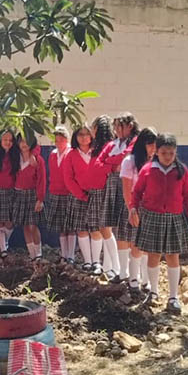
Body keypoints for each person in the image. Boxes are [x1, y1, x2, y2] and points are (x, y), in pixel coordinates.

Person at [129, 133, 188, 314]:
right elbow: (137, 192)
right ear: (156, 152)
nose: (168, 157)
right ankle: (153, 292)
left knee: (172, 257)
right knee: (153, 255)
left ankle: (173, 297)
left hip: (174, 217)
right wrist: (133, 209)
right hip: (152, 217)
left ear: (176, 153)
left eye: (171, 153)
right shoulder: (148, 170)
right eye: (164, 153)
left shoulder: (182, 171)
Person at [63, 123, 110, 275]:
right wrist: (81, 195)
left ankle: (96, 262)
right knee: (82, 230)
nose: (84, 138)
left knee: (96, 229)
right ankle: (87, 261)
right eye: (80, 135)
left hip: (97, 195)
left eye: (87, 134)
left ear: (92, 136)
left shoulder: (98, 153)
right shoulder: (70, 155)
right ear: (75, 137)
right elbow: (68, 178)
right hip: (79, 196)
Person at [102, 113, 139, 284]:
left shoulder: (136, 141)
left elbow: (126, 155)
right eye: (115, 126)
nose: (116, 130)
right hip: (113, 184)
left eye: (120, 126)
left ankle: (136, 274)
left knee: (129, 228)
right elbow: (100, 162)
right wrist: (112, 164)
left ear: (130, 126)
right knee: (119, 229)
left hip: (128, 185)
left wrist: (112, 162)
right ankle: (122, 271)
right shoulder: (114, 143)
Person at [122, 127, 158, 291]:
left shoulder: (155, 163)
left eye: (155, 145)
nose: (153, 149)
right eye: (150, 144)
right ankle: (133, 279)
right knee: (136, 246)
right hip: (136, 207)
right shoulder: (129, 161)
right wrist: (132, 210)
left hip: (151, 207)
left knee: (148, 247)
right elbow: (126, 189)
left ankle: (145, 280)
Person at [87, 115, 119, 278]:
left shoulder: (108, 147)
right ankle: (108, 266)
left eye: (93, 128)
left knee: (106, 229)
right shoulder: (98, 147)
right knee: (104, 230)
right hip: (97, 190)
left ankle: (115, 266)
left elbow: (111, 167)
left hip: (104, 190)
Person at [45, 126, 77, 263]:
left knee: (70, 226)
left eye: (61, 140)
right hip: (56, 192)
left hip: (69, 193)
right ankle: (64, 254)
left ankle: (71, 255)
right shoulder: (53, 154)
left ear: (67, 139)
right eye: (56, 140)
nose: (59, 143)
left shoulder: (71, 153)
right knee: (61, 227)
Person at [13, 134, 47, 261]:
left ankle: (38, 254)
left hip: (32, 195)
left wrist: (40, 199)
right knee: (25, 226)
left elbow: (42, 180)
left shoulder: (38, 159)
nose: (24, 144)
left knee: (33, 225)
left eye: (27, 141)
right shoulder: (15, 157)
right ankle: (32, 255)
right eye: (21, 141)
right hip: (19, 194)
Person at [0, 130, 19, 258]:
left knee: (9, 221)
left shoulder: (15, 154)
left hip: (10, 190)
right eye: (5, 140)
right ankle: (3, 250)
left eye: (10, 140)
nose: (8, 142)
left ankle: (4, 244)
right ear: (0, 140)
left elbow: (34, 149)